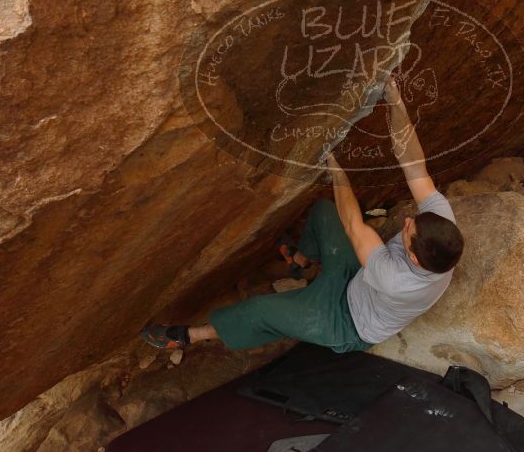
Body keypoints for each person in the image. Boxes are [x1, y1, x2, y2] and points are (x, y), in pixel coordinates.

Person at [141, 75, 464, 352]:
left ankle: (190, 336)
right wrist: (395, 100)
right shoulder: (441, 228)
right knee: (325, 213)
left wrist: (335, 167)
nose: (407, 221)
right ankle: (303, 263)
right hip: (358, 279)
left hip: (347, 321)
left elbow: (353, 225)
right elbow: (413, 164)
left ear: (416, 259)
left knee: (260, 310)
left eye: (409, 231)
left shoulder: (397, 281)